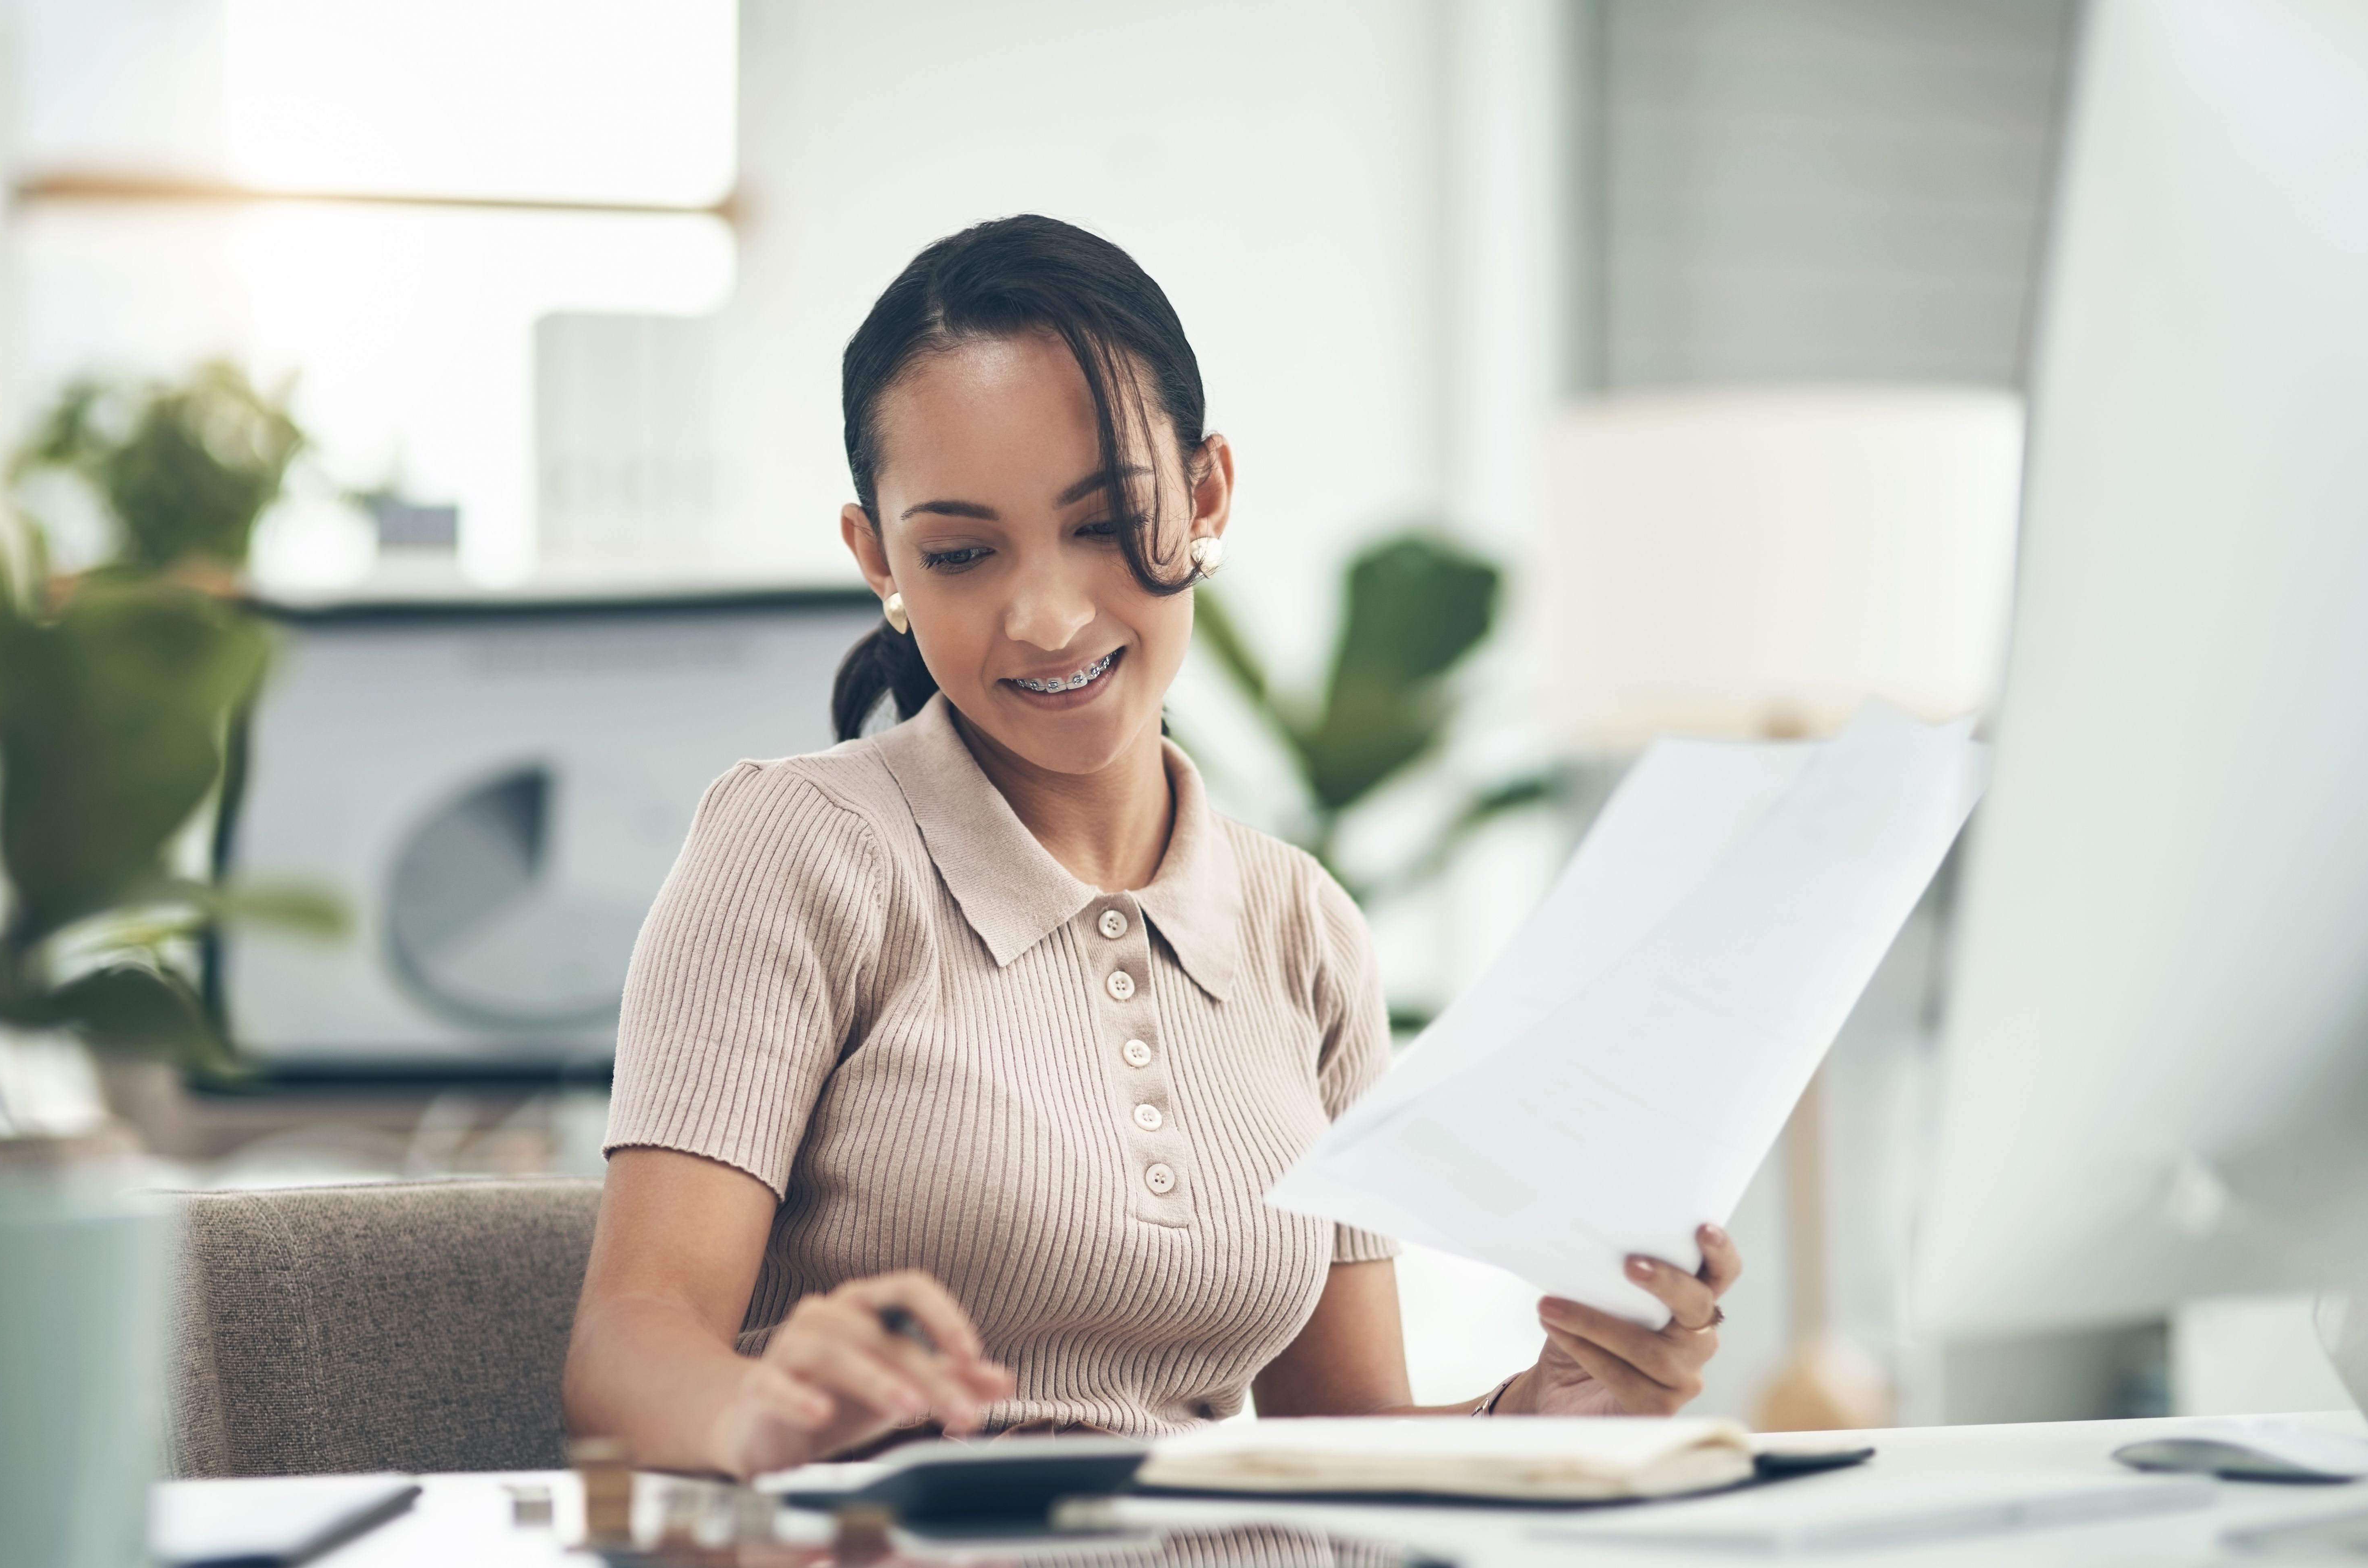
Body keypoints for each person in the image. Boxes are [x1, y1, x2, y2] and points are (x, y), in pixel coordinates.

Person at [564, 215, 1738, 1479]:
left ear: (1207, 494)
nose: (1048, 616)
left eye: (1105, 521)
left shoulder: (1301, 925)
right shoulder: (799, 852)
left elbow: (1339, 1444)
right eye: (960, 555)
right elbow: (629, 1344)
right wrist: (761, 1419)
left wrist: (1537, 1414)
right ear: (878, 561)